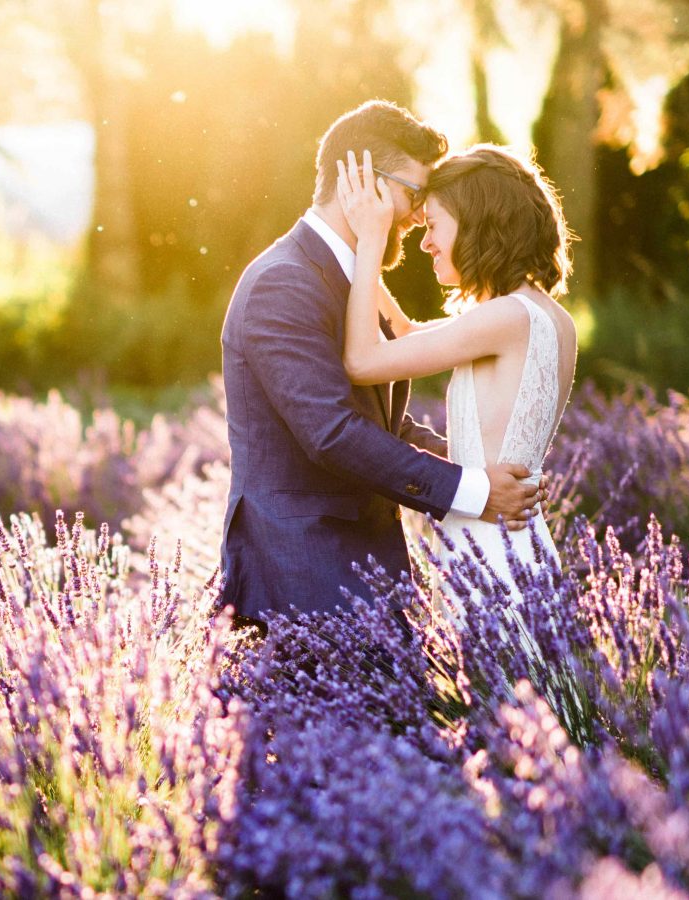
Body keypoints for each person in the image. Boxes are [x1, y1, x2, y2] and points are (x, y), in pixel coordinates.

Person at [218, 101, 542, 632]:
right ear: (361, 180)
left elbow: (381, 423)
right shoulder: (284, 283)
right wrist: (474, 493)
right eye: (413, 195)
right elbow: (333, 433)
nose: (419, 218)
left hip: (362, 570)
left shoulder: (352, 279)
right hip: (302, 574)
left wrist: (481, 466)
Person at [336, 143, 578, 595]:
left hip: (491, 551)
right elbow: (406, 333)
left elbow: (362, 361)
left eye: (432, 226)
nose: (425, 242)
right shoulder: (545, 316)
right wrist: (355, 242)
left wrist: (370, 241)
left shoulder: (505, 318)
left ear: (476, 224)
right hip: (515, 546)